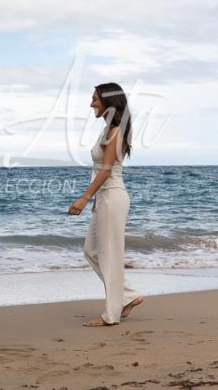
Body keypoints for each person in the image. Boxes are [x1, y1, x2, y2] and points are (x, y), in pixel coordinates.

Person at [68, 82, 143, 326]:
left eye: (95, 99)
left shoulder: (114, 131)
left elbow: (107, 170)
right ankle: (128, 296)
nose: (91, 104)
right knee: (91, 251)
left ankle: (111, 314)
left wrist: (84, 197)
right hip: (106, 198)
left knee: (109, 255)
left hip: (112, 197)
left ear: (109, 102)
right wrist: (95, 199)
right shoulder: (108, 130)